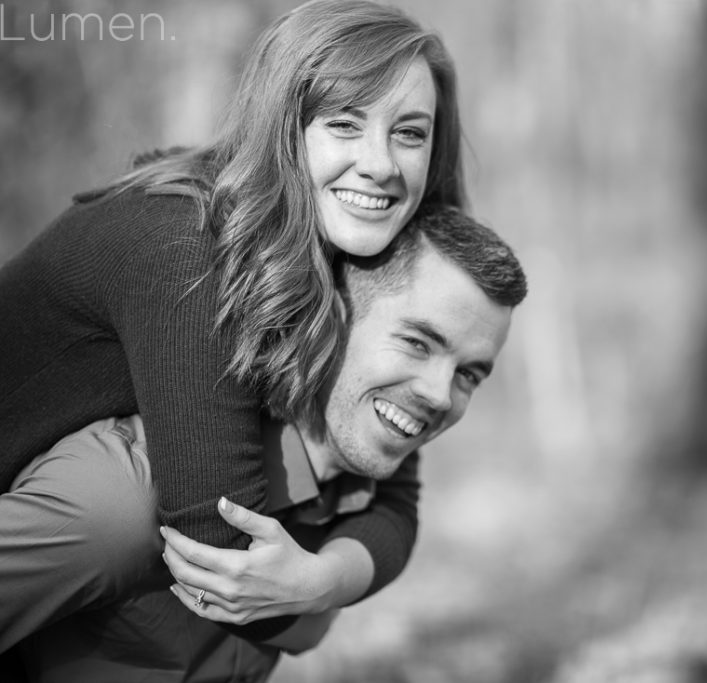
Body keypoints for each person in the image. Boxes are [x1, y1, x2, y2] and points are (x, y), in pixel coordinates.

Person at [0, 0, 465, 639]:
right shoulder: (178, 245)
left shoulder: (348, 257)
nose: (382, 163)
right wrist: (313, 583)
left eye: (409, 132)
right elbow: (219, 564)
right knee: (127, 509)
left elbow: (394, 498)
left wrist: (322, 579)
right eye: (344, 123)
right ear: (283, 125)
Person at [5, 206, 528, 682]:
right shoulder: (122, 495)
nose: (440, 395)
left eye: (469, 375)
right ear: (333, 321)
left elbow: (395, 525)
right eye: (417, 343)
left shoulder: (357, 500)